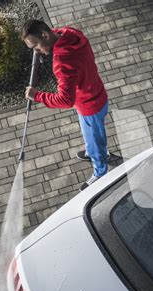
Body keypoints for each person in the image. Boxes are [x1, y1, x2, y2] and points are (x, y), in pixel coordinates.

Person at [21, 19, 109, 191]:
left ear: (45, 35)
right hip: (97, 93)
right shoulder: (70, 33)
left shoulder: (62, 63)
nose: (36, 51)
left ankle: (100, 172)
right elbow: (55, 34)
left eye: (35, 47)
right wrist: (43, 47)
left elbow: (65, 100)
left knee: (95, 138)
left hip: (89, 106)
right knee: (92, 134)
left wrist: (37, 95)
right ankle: (93, 152)